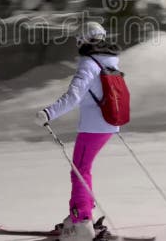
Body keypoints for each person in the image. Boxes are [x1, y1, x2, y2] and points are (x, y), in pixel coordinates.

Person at [35, 21, 121, 241]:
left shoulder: (88, 64)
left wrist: (48, 113)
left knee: (80, 171)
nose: (77, 44)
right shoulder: (110, 60)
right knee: (83, 169)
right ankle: (82, 214)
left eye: (78, 40)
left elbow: (73, 97)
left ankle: (82, 222)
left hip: (93, 126)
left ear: (85, 40)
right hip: (109, 123)